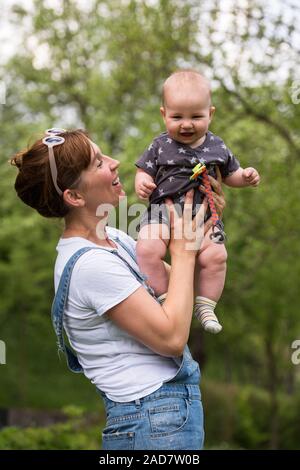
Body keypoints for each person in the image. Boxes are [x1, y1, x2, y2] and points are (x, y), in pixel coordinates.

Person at [10, 128, 225, 450]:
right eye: (98, 163)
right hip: (150, 419)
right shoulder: (90, 265)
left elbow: (184, 289)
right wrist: (182, 251)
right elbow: (171, 337)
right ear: (75, 197)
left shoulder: (116, 240)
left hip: (163, 415)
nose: (115, 163)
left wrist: (203, 228)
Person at [135, 69, 260, 334]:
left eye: (196, 117)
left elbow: (230, 175)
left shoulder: (218, 146)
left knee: (217, 256)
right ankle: (165, 297)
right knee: (146, 250)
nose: (187, 124)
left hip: (205, 215)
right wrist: (142, 182)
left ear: (211, 114)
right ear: (163, 114)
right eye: (177, 117)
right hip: (162, 211)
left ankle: (205, 305)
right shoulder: (159, 145)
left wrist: (245, 176)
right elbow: (144, 169)